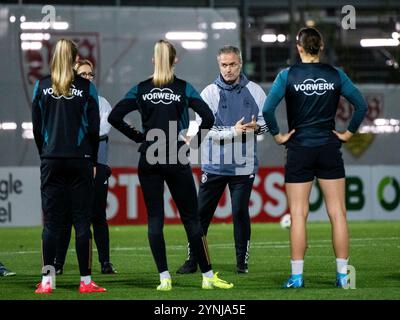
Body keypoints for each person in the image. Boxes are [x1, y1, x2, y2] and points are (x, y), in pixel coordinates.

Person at [108, 39, 233, 291]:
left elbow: (114, 117)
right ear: (175, 60)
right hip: (175, 154)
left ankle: (164, 278)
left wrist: (139, 138)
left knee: (155, 218)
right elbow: (208, 117)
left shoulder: (141, 89)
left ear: (154, 60)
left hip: (149, 156)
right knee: (191, 219)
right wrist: (194, 144)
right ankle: (207, 276)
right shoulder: (184, 88)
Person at [262, 27, 367, 288]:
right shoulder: (336, 75)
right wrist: (347, 133)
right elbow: (361, 106)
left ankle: (297, 277)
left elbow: (267, 109)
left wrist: (277, 135)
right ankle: (344, 277)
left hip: (298, 148)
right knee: (338, 214)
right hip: (329, 147)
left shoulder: (287, 75)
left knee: (298, 214)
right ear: (320, 47)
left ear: (298, 47)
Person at [176, 45, 268, 275]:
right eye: (224, 65)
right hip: (214, 164)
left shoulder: (255, 91)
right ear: (219, 65)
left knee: (239, 212)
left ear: (240, 64)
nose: (228, 69)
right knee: (200, 216)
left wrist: (257, 128)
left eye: (232, 64)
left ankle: (241, 263)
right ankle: (193, 260)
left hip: (243, 165)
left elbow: (266, 125)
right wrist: (234, 132)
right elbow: (205, 132)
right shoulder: (208, 93)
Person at [32, 39, 106, 294]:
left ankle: (47, 282)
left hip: (51, 160)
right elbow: (94, 128)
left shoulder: (41, 86)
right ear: (76, 61)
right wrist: (93, 159)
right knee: (82, 222)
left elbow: (37, 127)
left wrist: (46, 153)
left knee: (51, 224)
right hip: (80, 160)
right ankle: (85, 282)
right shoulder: (87, 87)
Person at [54, 59, 117, 275]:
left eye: (90, 74)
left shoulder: (102, 103)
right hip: (74, 166)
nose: (88, 78)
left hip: (96, 166)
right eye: (83, 74)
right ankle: (58, 263)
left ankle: (105, 263)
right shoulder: (67, 101)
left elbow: (102, 130)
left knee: (98, 215)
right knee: (66, 216)